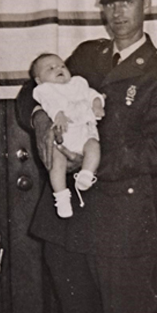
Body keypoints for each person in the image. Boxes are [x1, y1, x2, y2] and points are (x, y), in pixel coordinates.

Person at [17, 0, 157, 313]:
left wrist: (89, 161)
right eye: (110, 2)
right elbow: (31, 92)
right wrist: (40, 119)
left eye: (127, 1)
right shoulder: (86, 55)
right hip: (66, 225)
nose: (118, 12)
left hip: (121, 229)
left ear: (148, 2)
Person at [30, 53, 105, 218]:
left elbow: (91, 93)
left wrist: (97, 103)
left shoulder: (78, 83)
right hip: (63, 134)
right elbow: (48, 104)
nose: (58, 68)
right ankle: (61, 196)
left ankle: (86, 174)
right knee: (57, 162)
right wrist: (56, 115)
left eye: (62, 66)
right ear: (39, 80)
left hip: (84, 132)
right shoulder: (44, 89)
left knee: (93, 146)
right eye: (50, 68)